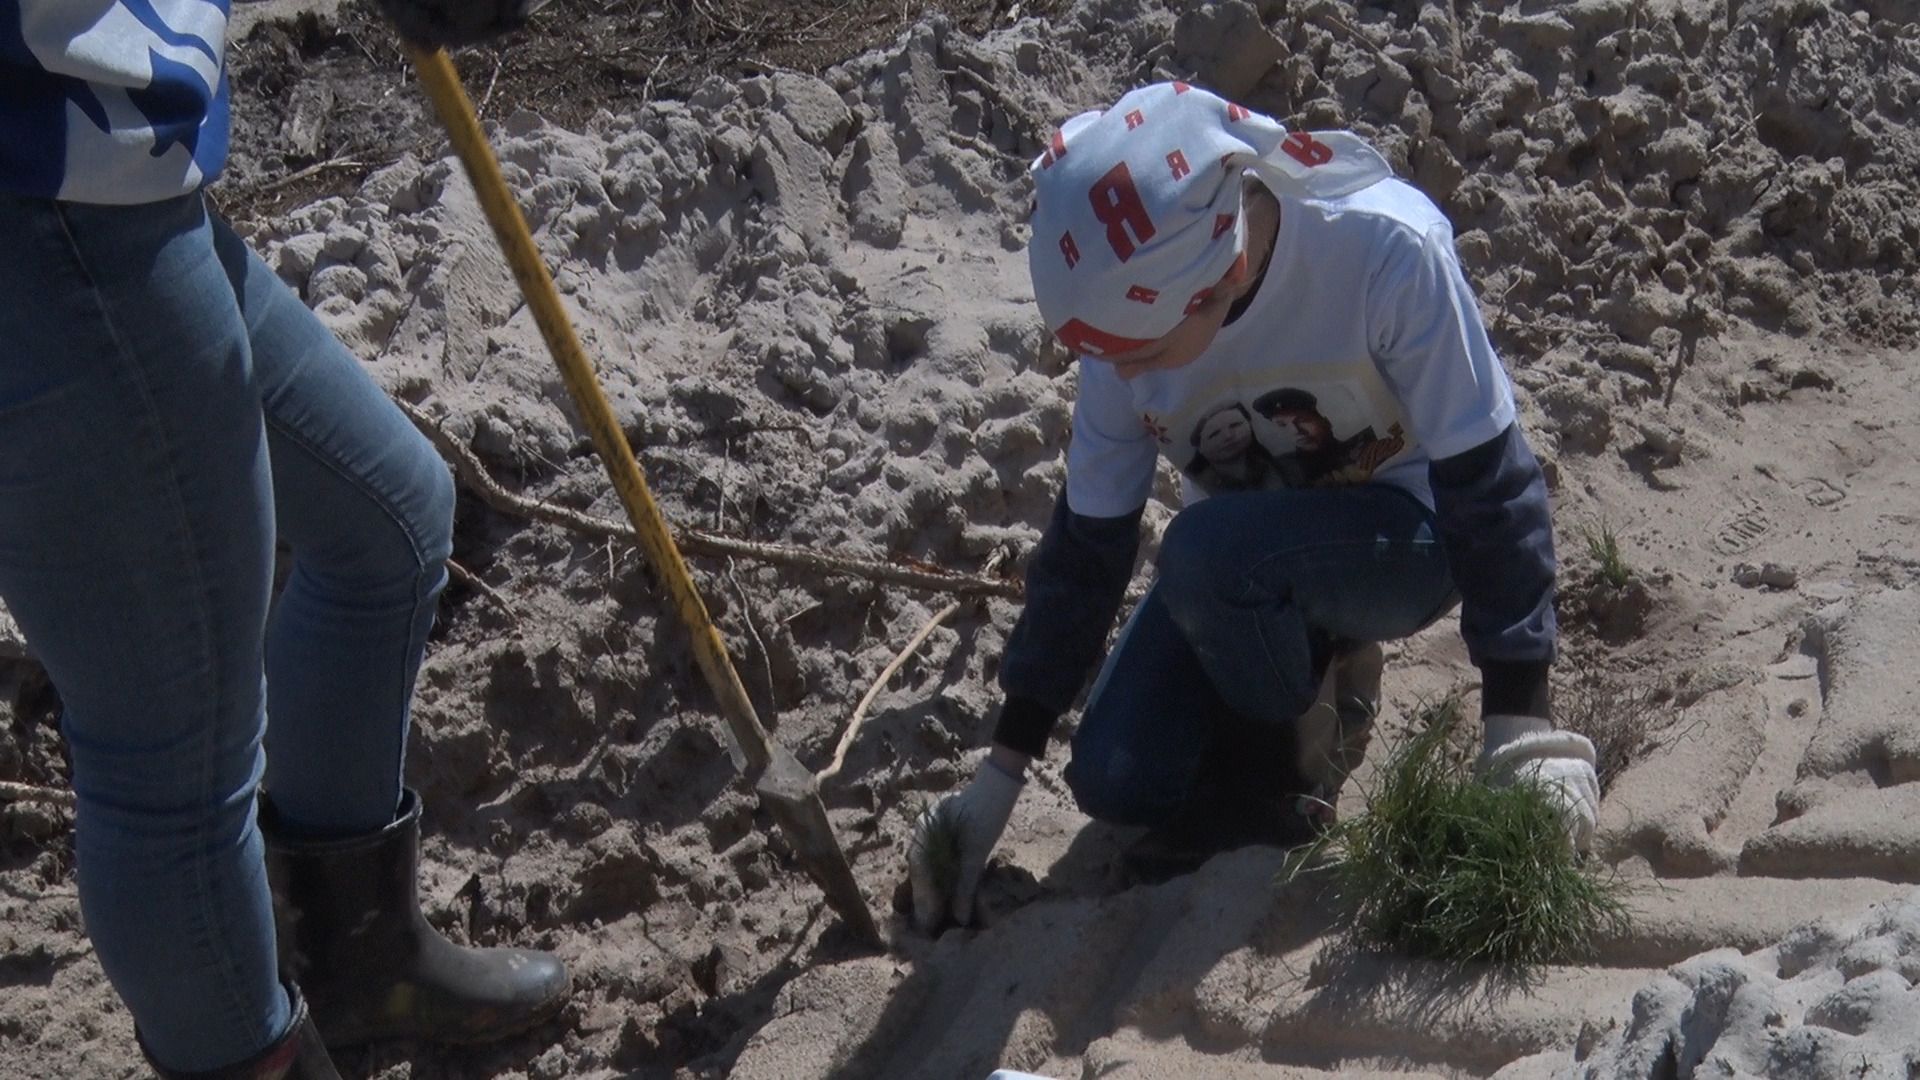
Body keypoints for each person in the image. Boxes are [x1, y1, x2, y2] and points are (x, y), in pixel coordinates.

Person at [0, 2, 565, 1077]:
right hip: (47, 197)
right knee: (175, 773)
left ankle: (358, 964)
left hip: (126, 169)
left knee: (389, 520)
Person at [909, 82, 1599, 929]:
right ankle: (1296, 671)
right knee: (1115, 778)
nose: (1122, 376)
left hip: (1409, 536)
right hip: (1248, 559)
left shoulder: (1382, 251)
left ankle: (1293, 762)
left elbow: (1492, 484)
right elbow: (1086, 549)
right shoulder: (1129, 312)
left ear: (1225, 275)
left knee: (1205, 555)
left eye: (1141, 354)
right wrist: (1000, 776)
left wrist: (1520, 726)